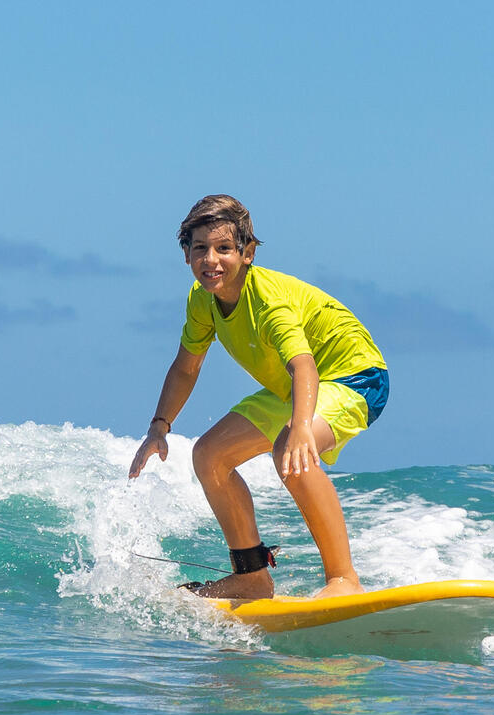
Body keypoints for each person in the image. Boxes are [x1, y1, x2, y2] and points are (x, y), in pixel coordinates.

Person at [128, 195, 388, 599]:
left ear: (247, 253)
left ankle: (344, 580)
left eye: (224, 248)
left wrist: (301, 427)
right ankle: (252, 577)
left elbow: (304, 366)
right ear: (186, 255)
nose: (211, 260)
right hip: (294, 389)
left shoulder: (267, 300)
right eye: (200, 248)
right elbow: (186, 367)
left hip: (356, 377)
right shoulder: (203, 301)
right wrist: (158, 427)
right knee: (210, 455)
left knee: (291, 447)